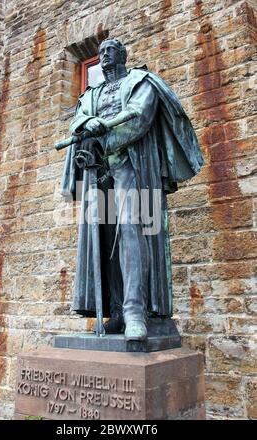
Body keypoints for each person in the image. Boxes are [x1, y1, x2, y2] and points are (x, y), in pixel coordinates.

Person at [61, 38, 204, 341]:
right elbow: (78, 122)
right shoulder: (92, 94)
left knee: (131, 231)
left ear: (123, 55)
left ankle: (135, 311)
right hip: (99, 171)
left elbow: (140, 118)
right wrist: (90, 126)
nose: (103, 55)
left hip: (132, 166)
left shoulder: (142, 81)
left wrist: (105, 139)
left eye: (110, 50)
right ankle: (116, 311)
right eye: (100, 52)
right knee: (105, 236)